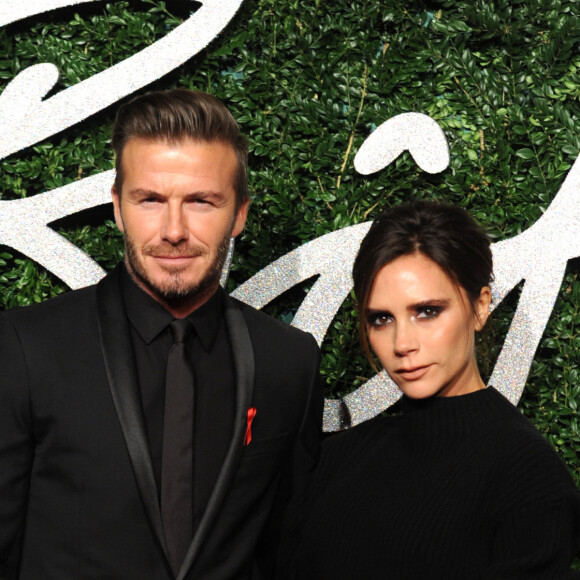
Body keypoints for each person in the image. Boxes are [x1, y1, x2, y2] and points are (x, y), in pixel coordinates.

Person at [0, 89, 322, 579]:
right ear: (117, 208)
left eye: (201, 201)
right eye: (150, 199)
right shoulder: (26, 347)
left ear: (239, 213)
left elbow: (288, 551)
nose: (174, 230)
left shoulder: (288, 360)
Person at [280, 200, 580, 579]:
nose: (403, 343)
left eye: (427, 312)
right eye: (381, 318)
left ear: (480, 306)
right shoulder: (337, 458)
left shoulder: (528, 479)